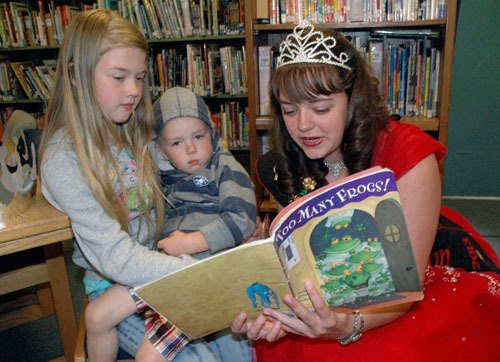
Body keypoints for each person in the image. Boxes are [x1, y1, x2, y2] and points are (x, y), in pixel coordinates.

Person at [231, 22, 500, 361]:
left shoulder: (406, 152)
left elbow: (404, 290)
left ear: (352, 100)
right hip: (332, 288)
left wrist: (346, 326)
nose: (302, 125)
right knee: (279, 342)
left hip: (411, 286)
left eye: (321, 108)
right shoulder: (281, 162)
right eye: (288, 110)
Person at [38, 9, 250, 362]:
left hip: (169, 263)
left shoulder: (137, 130)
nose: (134, 91)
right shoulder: (64, 158)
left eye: (139, 77)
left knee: (239, 346)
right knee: (199, 359)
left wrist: (231, 228)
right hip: (119, 284)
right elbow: (114, 257)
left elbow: (198, 168)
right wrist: (195, 270)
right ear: (75, 74)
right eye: (119, 77)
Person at [84, 86, 256, 360]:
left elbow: (242, 218)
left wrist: (190, 242)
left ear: (211, 133)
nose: (191, 149)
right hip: (159, 266)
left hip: (199, 275)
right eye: (176, 143)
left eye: (198, 136)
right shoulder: (160, 176)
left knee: (149, 356)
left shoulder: (223, 165)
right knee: (95, 315)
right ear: (160, 150)